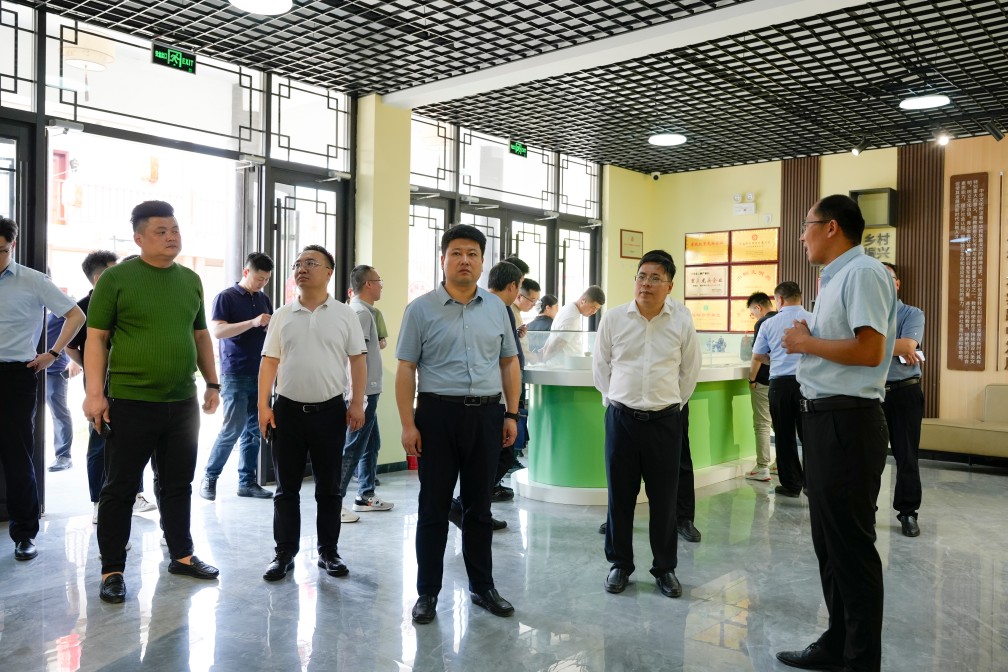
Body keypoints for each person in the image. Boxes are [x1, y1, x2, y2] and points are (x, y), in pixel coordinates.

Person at [777, 194, 896, 672]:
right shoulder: (834, 278)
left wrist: (807, 342)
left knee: (851, 546)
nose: (801, 236)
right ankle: (837, 643)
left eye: (806, 225)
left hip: (848, 421)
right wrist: (811, 340)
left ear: (830, 227)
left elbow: (870, 351)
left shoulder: (863, 272)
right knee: (829, 544)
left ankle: (861, 660)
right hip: (825, 419)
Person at [83, 200, 223, 604]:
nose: (171, 237)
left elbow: (200, 335)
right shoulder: (116, 279)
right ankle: (112, 569)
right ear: (139, 238)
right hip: (130, 401)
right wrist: (95, 394)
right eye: (161, 231)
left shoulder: (190, 280)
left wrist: (212, 383)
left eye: (175, 229)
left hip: (182, 401)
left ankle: (182, 555)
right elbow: (96, 337)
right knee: (120, 487)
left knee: (178, 483)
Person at [396, 224, 521, 625]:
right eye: (456, 253)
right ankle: (427, 593)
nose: (464, 260)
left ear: (482, 262)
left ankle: (483, 586)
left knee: (478, 508)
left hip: (486, 416)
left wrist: (511, 413)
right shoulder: (420, 309)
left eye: (472, 254)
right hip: (437, 415)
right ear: (443, 259)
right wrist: (408, 424)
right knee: (433, 508)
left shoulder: (498, 309)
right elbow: (406, 369)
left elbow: (509, 362)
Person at [593, 249, 700, 598]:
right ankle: (620, 564)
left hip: (665, 422)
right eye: (642, 276)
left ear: (669, 285)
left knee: (664, 500)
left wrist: (669, 405)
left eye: (655, 278)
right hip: (621, 419)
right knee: (620, 497)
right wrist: (615, 399)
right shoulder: (613, 318)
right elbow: (600, 367)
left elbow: (689, 372)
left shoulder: (681, 322)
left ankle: (665, 568)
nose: (646, 284)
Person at [259, 245, 367, 582]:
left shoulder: (345, 314)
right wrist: (263, 405)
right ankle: (284, 553)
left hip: (330, 412)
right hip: (287, 411)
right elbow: (269, 362)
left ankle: (328, 552)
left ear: (329, 272)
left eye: (310, 263)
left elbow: (358, 359)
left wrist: (357, 402)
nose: (302, 268)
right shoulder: (282, 314)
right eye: (298, 264)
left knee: (329, 488)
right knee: (285, 489)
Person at [0, 216, 86, 561]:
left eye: (1, 250)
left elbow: (76, 315)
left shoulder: (33, 281)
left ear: (12, 246)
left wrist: (52, 353)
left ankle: (24, 534)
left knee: (17, 456)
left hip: (15, 376)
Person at [66, 250, 156, 523]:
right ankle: (98, 501)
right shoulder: (83, 307)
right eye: (114, 270)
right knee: (99, 442)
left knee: (134, 440)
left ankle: (136, 494)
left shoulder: (126, 300)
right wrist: (92, 367)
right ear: (99, 277)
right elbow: (71, 347)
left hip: (132, 383)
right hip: (99, 385)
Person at [447, 260, 524, 530]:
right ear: (512, 286)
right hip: (491, 400)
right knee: (499, 457)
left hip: (488, 400)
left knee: (492, 459)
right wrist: (511, 409)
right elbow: (507, 360)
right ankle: (467, 506)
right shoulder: (499, 309)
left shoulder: (490, 308)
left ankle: (473, 508)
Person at [199, 252, 275, 501]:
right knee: (232, 429)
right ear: (246, 272)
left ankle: (247, 483)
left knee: (254, 431)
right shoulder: (226, 297)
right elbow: (218, 331)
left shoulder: (264, 299)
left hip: (261, 372)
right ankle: (210, 477)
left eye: (266, 279)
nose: (262, 283)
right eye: (259, 278)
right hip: (235, 372)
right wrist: (253, 322)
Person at [337, 264, 394, 519]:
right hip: (363, 393)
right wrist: (356, 399)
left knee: (371, 443)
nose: (381, 286)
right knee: (354, 447)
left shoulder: (366, 312)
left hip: (369, 391)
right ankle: (334, 502)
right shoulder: (360, 313)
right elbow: (353, 358)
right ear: (368, 284)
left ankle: (365, 495)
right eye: (379, 281)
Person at [752, 281, 813, 497]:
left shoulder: (769, 323)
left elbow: (758, 355)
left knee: (784, 435)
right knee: (810, 435)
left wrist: (776, 360)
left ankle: (791, 485)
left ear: (779, 299)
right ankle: (812, 484)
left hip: (780, 385)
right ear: (800, 296)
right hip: (808, 384)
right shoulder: (813, 319)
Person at [881, 262, 925, 538]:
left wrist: (865, 345)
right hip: (871, 392)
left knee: (906, 456)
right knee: (866, 457)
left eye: (888, 278)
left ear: (897, 284)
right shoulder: (862, 314)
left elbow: (908, 346)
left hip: (904, 392)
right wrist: (895, 346)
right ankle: (865, 511)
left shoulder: (912, 313)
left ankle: (908, 512)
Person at [744, 292, 776, 482]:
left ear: (758, 307)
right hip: (782, 381)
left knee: (762, 424)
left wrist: (751, 379)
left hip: (763, 380)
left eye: (752, 313)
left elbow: (757, 355)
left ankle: (763, 466)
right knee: (779, 424)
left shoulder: (763, 323)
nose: (753, 316)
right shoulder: (783, 319)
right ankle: (780, 464)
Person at [45, 310, 81, 472]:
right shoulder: (38, 309)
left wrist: (75, 361)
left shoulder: (60, 307)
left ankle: (63, 456)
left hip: (55, 370)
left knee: (58, 412)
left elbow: (78, 327)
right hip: (32, 367)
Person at [544, 285, 606, 360]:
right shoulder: (573, 317)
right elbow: (558, 342)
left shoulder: (567, 307)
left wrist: (544, 354)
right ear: (583, 301)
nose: (594, 312)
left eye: (597, 309)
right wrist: (544, 359)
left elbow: (553, 338)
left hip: (567, 362)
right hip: (566, 364)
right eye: (593, 307)